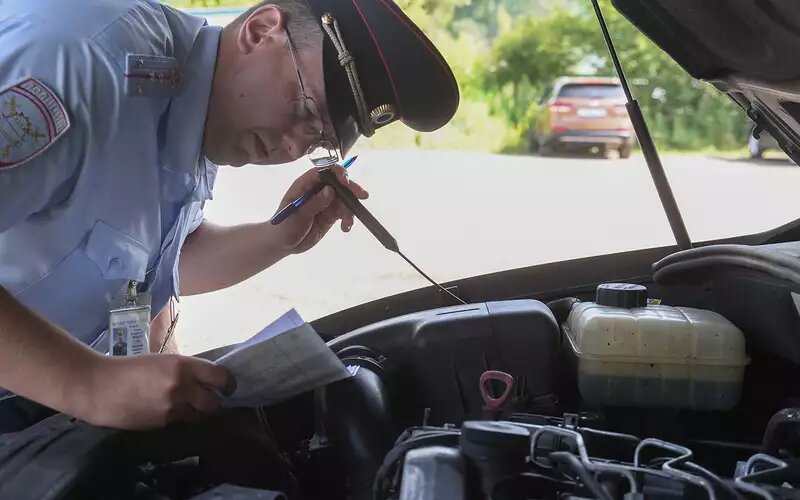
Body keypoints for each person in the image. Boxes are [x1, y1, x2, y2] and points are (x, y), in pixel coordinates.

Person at [0, 0, 458, 433]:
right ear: (261, 31)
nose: (295, 147)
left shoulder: (195, 104)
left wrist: (279, 237)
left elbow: (154, 263)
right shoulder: (81, 66)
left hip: (44, 402)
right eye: (304, 109)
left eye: (318, 141)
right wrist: (91, 384)